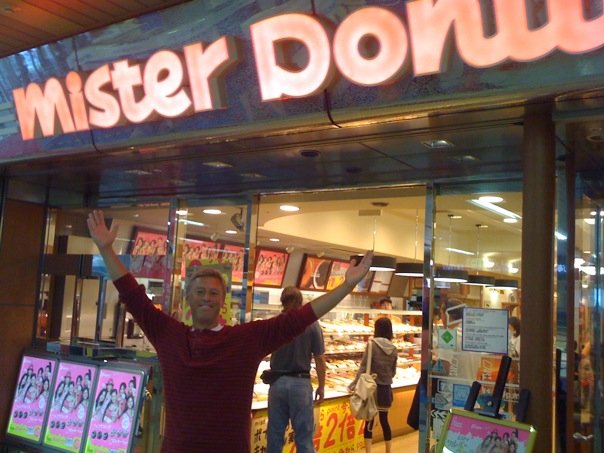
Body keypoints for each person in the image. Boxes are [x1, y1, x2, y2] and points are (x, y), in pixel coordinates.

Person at [86, 210, 373, 452]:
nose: (206, 298)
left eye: (213, 293)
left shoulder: (245, 340)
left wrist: (347, 285)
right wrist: (106, 249)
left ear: (223, 301)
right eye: (200, 291)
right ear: (188, 298)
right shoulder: (168, 335)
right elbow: (132, 295)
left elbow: (301, 317)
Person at [266, 287, 326, 453]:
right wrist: (321, 386)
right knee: (304, 438)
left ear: (282, 302)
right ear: (301, 302)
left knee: (275, 435)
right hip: (300, 384)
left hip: (277, 383)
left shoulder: (275, 323)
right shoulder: (311, 324)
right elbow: (320, 359)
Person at [347, 317, 398, 453]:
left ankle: (368, 451)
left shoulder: (371, 345)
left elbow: (363, 368)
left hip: (372, 389)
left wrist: (354, 384)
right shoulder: (394, 348)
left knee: (369, 422)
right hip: (386, 389)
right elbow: (393, 372)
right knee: (385, 421)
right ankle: (388, 451)